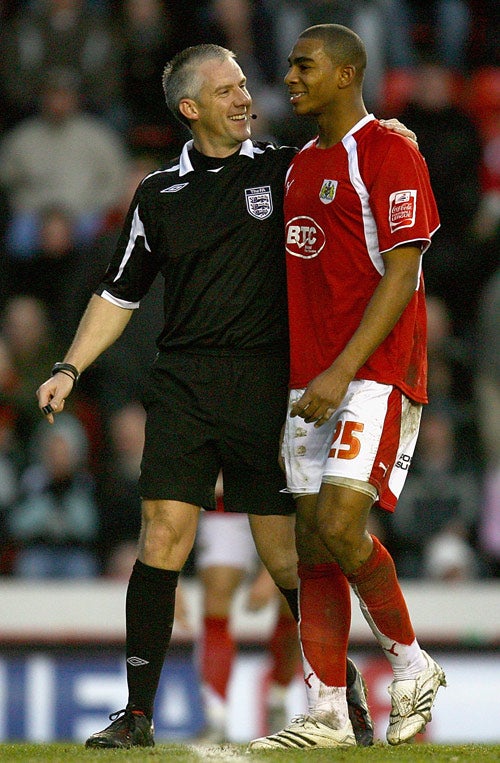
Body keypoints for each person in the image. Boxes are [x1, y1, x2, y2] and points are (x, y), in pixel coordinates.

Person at [36, 42, 413, 749]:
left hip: (270, 385)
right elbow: (119, 292)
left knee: (284, 559)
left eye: (245, 85)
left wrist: (394, 135)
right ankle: (138, 715)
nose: (247, 97)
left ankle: (339, 690)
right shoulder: (157, 194)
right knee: (161, 537)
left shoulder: (283, 166)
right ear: (190, 108)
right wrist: (69, 367)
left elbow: (354, 154)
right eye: (229, 89)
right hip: (184, 384)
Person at [248, 24, 446, 751]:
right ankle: (328, 708)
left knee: (338, 523)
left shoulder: (390, 152)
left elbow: (402, 274)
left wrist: (341, 370)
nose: (291, 76)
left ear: (346, 73)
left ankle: (411, 661)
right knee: (311, 543)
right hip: (312, 381)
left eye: (305, 65)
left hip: (376, 372)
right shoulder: (300, 165)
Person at [194, 472, 301, 742]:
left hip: (284, 500)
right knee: (215, 600)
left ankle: (279, 697)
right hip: (224, 501)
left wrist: (271, 572)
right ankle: (215, 716)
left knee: (294, 604)